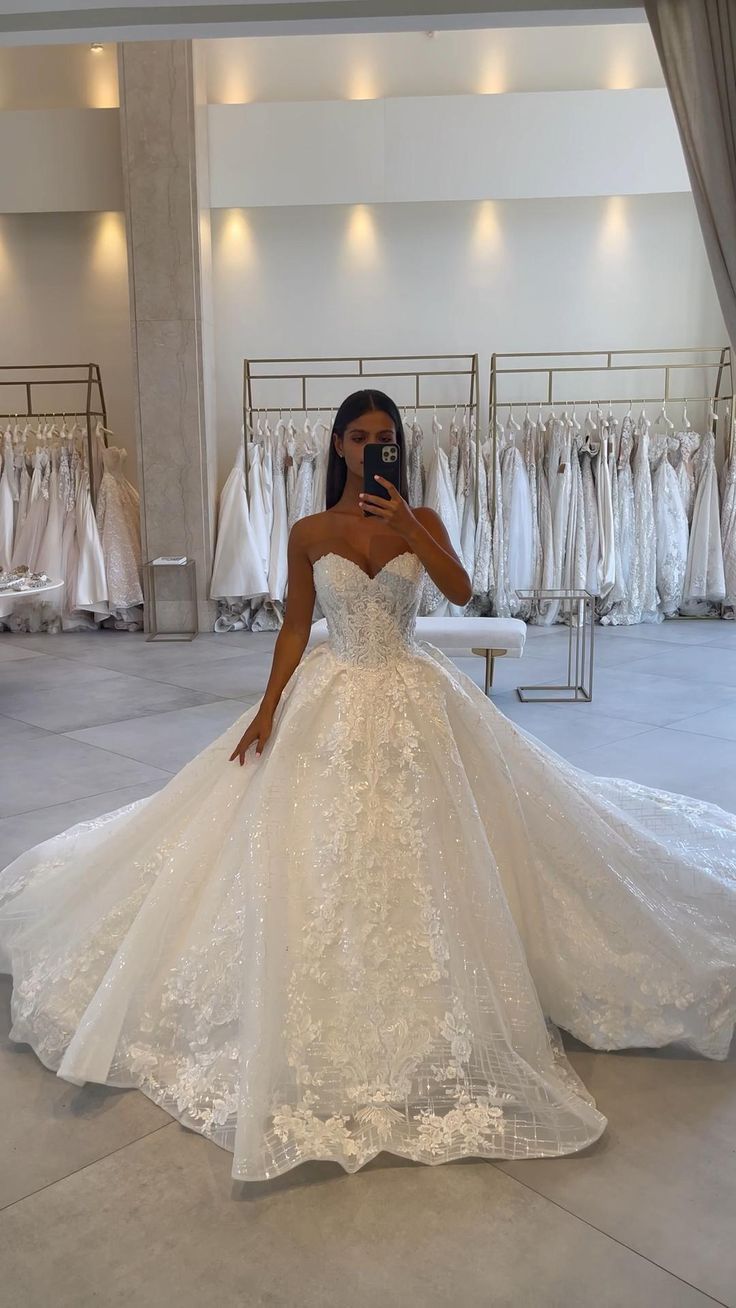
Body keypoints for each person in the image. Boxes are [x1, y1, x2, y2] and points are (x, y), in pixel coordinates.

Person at [0, 388, 734, 1185]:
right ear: (340, 446)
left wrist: (415, 527)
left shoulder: (426, 521)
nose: (373, 447)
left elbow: (458, 592)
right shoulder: (309, 531)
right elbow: (293, 625)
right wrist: (269, 707)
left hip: (420, 693)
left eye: (386, 437)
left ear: (397, 445)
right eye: (360, 437)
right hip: (335, 691)